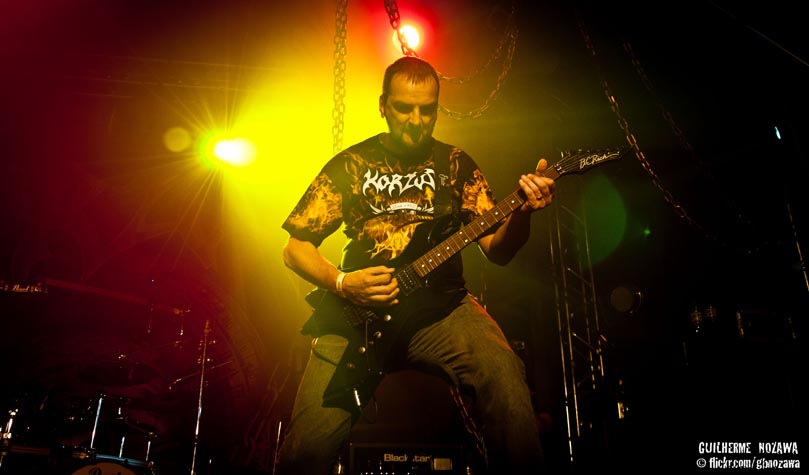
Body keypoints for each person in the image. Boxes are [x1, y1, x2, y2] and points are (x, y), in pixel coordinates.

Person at [278, 56, 555, 475]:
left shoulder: (455, 165)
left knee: (505, 376)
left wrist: (522, 214)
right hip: (357, 315)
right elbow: (295, 248)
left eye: (427, 110)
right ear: (383, 106)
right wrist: (343, 283)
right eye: (404, 108)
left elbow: (497, 250)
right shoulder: (351, 165)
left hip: (442, 309)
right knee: (306, 450)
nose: (416, 120)